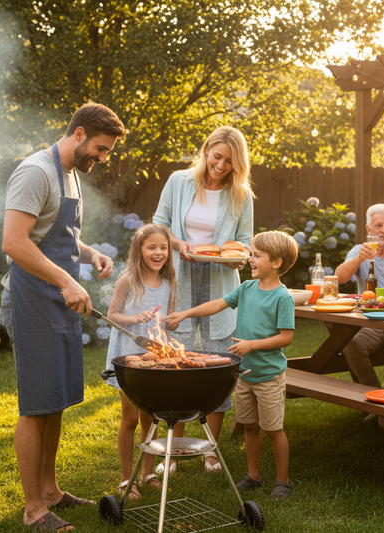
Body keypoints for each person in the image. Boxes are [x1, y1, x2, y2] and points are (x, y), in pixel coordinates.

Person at [1, 101, 125, 531]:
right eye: (101, 148)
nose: (103, 157)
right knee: (37, 404)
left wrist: (89, 255)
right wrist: (67, 282)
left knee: (54, 401)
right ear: (78, 134)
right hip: (32, 298)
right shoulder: (36, 172)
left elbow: (55, 231)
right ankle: (33, 509)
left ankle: (51, 491)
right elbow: (15, 243)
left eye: (107, 151)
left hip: (57, 296)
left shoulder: (70, 173)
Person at [165, 230, 298, 499]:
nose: (250, 259)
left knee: (273, 429)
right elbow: (217, 304)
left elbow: (286, 337)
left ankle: (283, 481)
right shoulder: (247, 288)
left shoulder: (282, 298)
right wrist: (186, 313)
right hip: (245, 374)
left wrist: (251, 345)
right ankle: (253, 476)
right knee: (249, 426)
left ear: (276, 263)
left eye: (257, 255)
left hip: (269, 376)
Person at [152, 126, 254, 473]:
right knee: (178, 365)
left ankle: (210, 450)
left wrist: (239, 256)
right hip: (180, 276)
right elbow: (159, 223)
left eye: (229, 161)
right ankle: (174, 448)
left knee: (218, 366)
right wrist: (178, 245)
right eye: (217, 156)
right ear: (206, 149)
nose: (221, 165)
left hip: (220, 282)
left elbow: (245, 241)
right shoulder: (179, 181)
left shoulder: (241, 195)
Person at [105, 224, 179, 500]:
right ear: (140, 251)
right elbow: (113, 314)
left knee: (152, 418)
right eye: (152, 247)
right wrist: (135, 319)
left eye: (163, 247)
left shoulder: (170, 282)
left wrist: (171, 322)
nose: (158, 252)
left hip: (156, 358)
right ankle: (127, 479)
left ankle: (147, 473)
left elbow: (167, 322)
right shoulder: (128, 280)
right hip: (130, 360)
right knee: (130, 419)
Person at [334, 203, 384, 392]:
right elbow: (339, 278)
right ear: (368, 229)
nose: (383, 230)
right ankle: (373, 393)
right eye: (378, 225)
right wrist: (359, 260)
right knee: (350, 345)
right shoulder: (358, 251)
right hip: (368, 321)